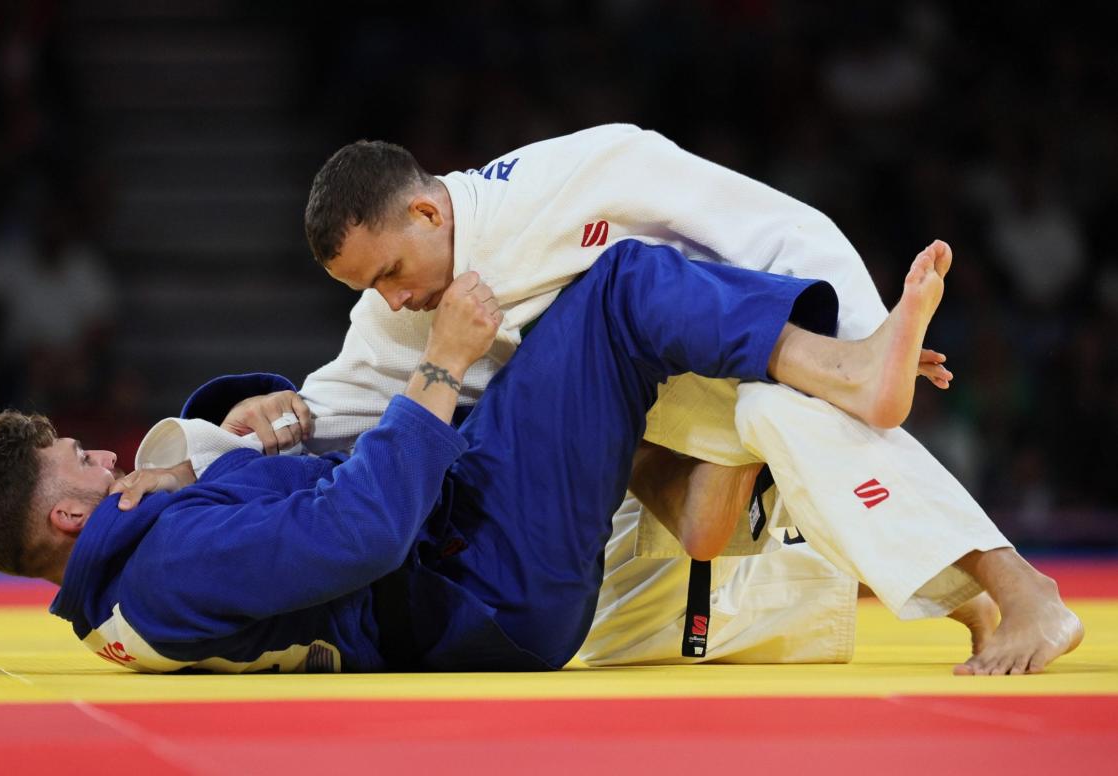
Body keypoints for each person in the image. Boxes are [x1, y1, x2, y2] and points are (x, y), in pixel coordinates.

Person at [246, 125, 1080, 676]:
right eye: (368, 289)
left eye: (389, 273)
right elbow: (334, 402)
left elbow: (765, 224)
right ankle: (971, 595)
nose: (390, 301)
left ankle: (1019, 594)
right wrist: (258, 425)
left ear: (428, 210)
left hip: (764, 312)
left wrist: (856, 340)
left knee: (777, 410)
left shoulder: (579, 173)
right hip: (658, 403)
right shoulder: (399, 316)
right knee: (707, 502)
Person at [0, 241, 941, 673]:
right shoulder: (166, 567)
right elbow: (361, 529)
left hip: (466, 570)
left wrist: (263, 429)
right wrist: (439, 367)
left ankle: (708, 489)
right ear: (69, 518)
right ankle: (846, 369)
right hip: (483, 577)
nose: (97, 452)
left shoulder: (135, 579)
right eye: (79, 460)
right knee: (618, 288)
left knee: (594, 353)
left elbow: (274, 513)